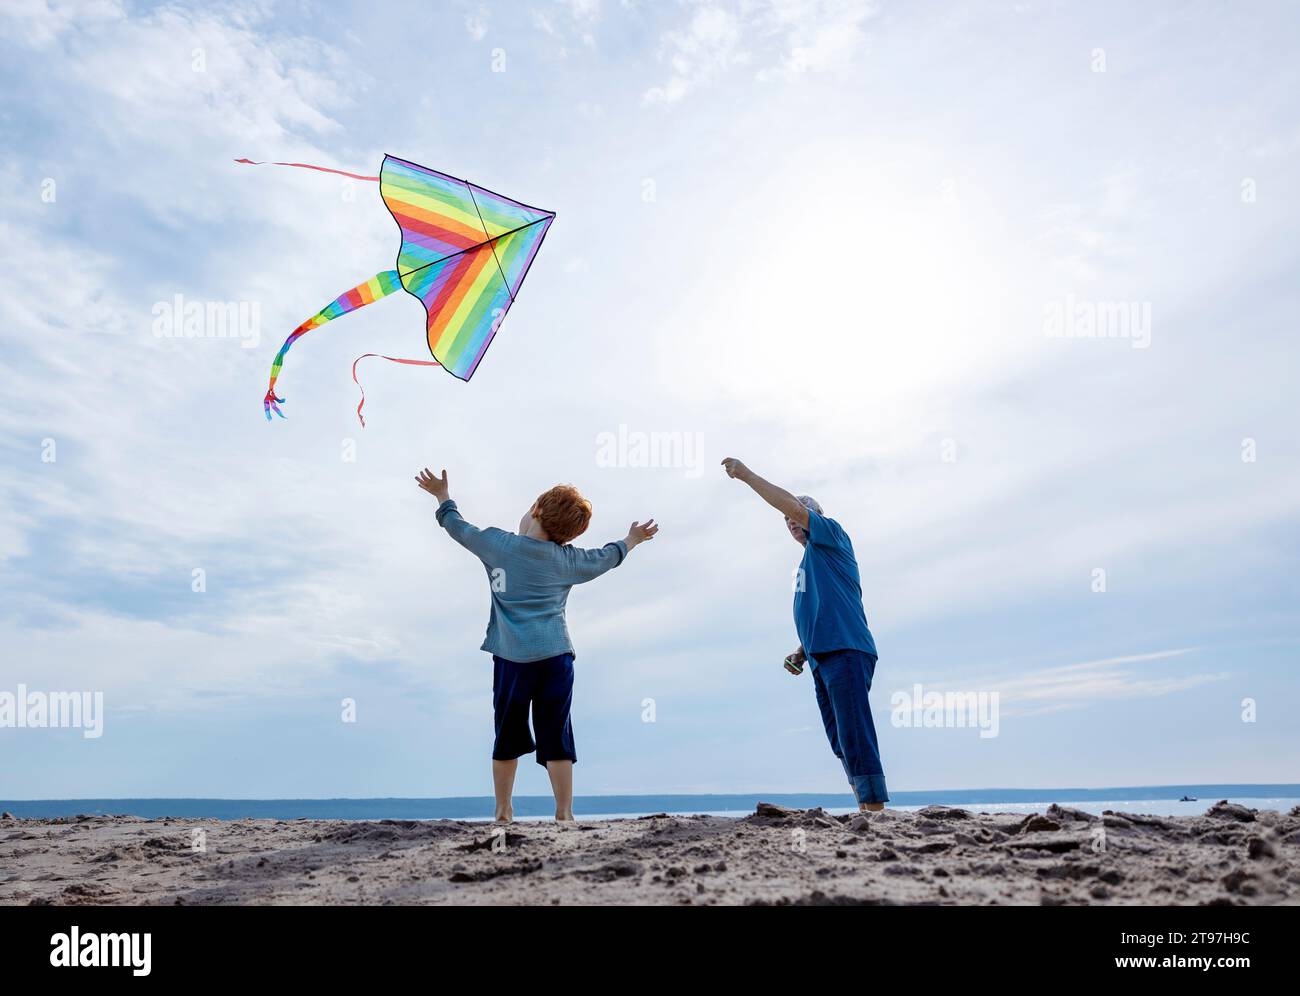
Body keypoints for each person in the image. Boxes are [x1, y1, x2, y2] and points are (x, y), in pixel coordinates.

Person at [415, 468, 658, 822]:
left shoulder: (499, 545)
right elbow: (607, 557)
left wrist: (442, 496)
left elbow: (458, 527)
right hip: (556, 658)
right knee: (556, 733)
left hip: (512, 659)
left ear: (536, 510)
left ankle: (502, 810)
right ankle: (564, 813)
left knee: (508, 733)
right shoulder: (569, 560)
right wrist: (632, 539)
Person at [721, 457, 888, 810]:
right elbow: (824, 609)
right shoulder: (809, 562)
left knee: (855, 733)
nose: (792, 521)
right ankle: (863, 802)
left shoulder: (832, 534)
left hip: (846, 649)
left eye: (798, 514)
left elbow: (793, 506)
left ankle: (874, 810)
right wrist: (800, 650)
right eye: (787, 521)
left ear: (817, 514)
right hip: (820, 655)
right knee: (840, 739)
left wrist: (748, 475)